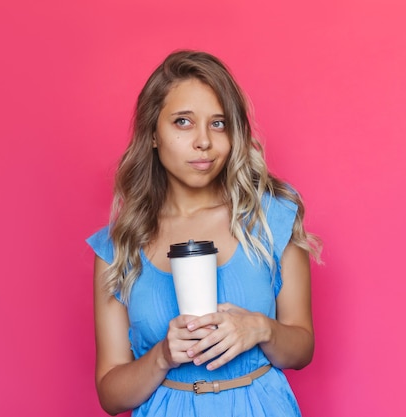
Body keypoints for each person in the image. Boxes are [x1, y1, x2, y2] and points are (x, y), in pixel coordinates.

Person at [87, 50, 321, 416]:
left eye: (218, 123)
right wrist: (162, 355)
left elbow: (302, 349)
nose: (204, 142)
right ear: (152, 133)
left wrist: (261, 329)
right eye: (183, 122)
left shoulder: (270, 219)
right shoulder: (119, 247)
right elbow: (111, 395)